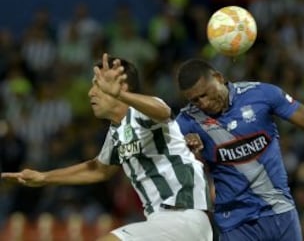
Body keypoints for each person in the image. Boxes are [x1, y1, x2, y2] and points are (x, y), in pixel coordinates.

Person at [1, 54, 213, 241]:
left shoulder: (142, 113)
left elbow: (163, 111)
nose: (91, 93)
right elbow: (98, 169)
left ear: (120, 86)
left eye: (97, 84)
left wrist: (121, 96)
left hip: (183, 217)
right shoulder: (116, 131)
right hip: (162, 224)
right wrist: (43, 178)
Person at [174, 58, 304, 241]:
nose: (203, 103)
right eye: (195, 100)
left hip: (279, 209)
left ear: (218, 77)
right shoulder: (187, 122)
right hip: (235, 221)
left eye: (205, 94)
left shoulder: (261, 94)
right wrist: (186, 148)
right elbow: (170, 160)